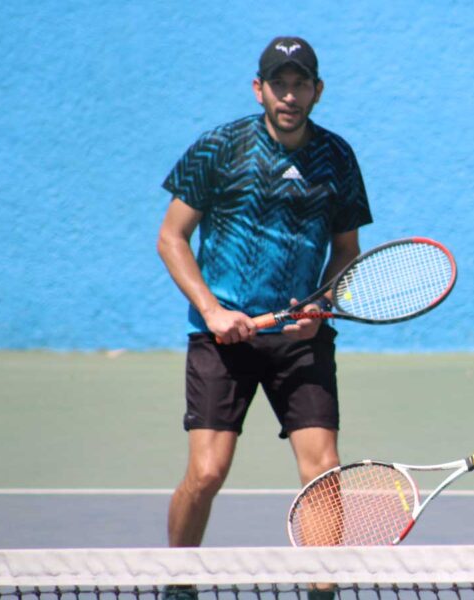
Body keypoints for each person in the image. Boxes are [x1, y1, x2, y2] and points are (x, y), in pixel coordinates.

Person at [157, 35, 372, 550]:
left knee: (322, 472)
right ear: (260, 89)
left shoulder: (337, 157)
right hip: (223, 339)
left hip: (301, 337)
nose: (290, 96)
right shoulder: (219, 148)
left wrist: (322, 303)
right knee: (207, 472)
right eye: (280, 84)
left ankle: (323, 590)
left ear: (318, 91)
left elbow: (346, 249)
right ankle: (177, 582)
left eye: (301, 85)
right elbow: (172, 237)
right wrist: (212, 311)